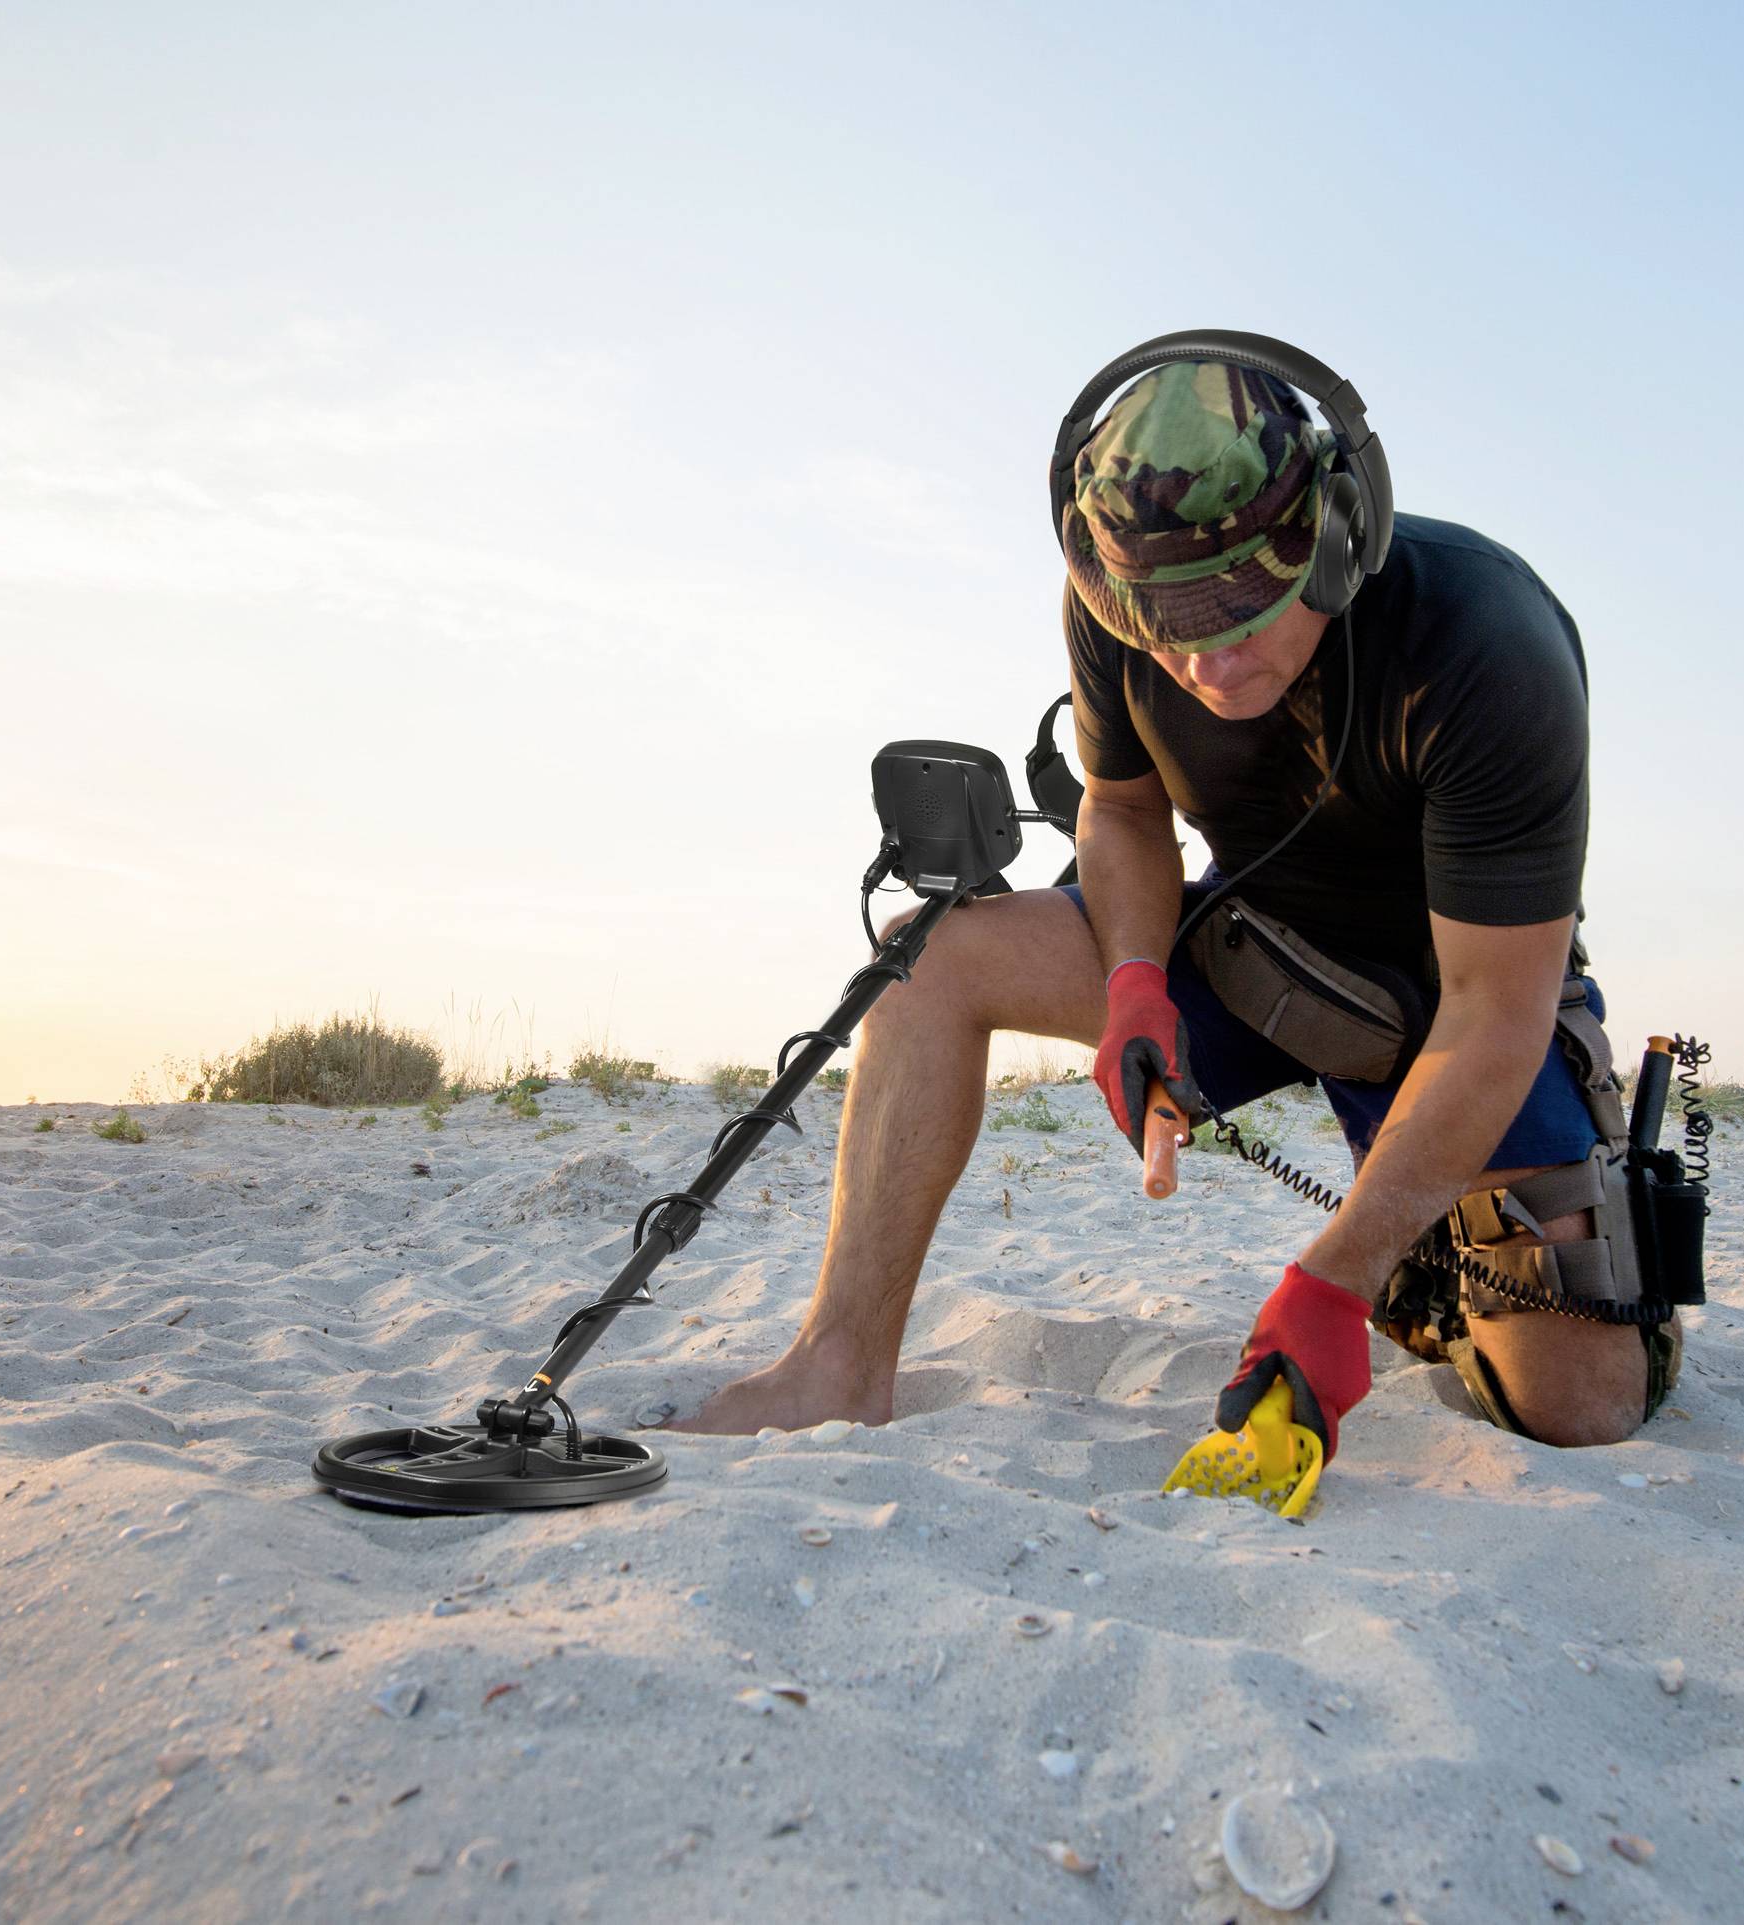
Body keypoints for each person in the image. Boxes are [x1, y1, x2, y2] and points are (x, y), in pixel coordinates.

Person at [672, 354, 1676, 1454]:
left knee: (1579, 1407)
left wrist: (1331, 1285)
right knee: (928, 956)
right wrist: (1135, 978)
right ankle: (838, 1360)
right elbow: (1119, 810)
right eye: (1169, 623)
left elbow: (1493, 1011)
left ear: (1338, 536)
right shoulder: (1109, 604)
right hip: (1261, 953)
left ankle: (1427, 1233)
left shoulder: (1485, 643)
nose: (1208, 662)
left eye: (1242, 611)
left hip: (1461, 1003)